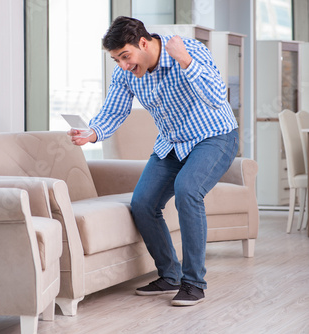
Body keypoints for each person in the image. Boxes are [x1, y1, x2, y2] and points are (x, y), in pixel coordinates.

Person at [68, 16, 238, 306]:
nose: (123, 65)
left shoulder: (189, 50)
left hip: (214, 136)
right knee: (143, 204)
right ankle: (169, 275)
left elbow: (218, 97)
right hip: (171, 144)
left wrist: (186, 62)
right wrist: (92, 133)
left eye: (126, 56)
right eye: (116, 59)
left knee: (188, 190)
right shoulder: (126, 73)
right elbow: (114, 110)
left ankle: (194, 283)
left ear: (143, 43)